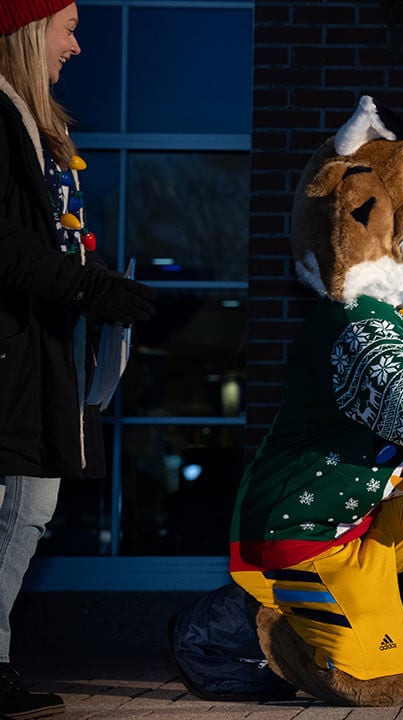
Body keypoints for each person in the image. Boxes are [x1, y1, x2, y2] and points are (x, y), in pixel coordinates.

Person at [0, 1, 155, 717]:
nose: (79, 46)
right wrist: (97, 289)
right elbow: (9, 248)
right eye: (68, 27)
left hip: (34, 354)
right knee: (16, 505)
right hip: (12, 357)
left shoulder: (30, 125)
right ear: (30, 32)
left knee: (29, 504)